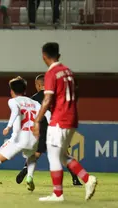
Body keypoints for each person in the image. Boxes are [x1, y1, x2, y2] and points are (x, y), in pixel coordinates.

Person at [34, 42, 97, 202]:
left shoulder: (51, 73)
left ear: (43, 56)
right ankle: (87, 179)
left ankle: (57, 194)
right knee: (62, 155)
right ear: (59, 56)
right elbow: (77, 91)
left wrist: (37, 120)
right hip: (72, 117)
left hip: (59, 118)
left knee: (54, 156)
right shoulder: (68, 72)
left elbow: (47, 99)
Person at [0, 76, 50, 193]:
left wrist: (8, 127)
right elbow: (48, 114)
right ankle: (29, 176)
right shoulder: (35, 102)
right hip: (34, 139)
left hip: (19, 138)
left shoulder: (13, 101)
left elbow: (15, 112)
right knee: (31, 157)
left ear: (11, 91)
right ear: (24, 90)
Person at [15, 74, 82, 186]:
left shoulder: (33, 99)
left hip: (41, 131)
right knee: (64, 155)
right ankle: (75, 179)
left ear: (38, 85)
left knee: (35, 154)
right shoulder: (56, 96)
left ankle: (25, 169)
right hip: (56, 129)